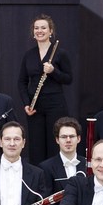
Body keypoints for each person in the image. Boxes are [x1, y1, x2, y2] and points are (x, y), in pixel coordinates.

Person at [18, 14, 74, 163]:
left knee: (54, 144)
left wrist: (53, 71)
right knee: (36, 146)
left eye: (43, 28)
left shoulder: (60, 53)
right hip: (35, 107)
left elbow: (68, 79)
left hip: (55, 104)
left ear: (51, 31)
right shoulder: (29, 55)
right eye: (36, 28)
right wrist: (26, 103)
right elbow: (21, 82)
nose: (39, 31)